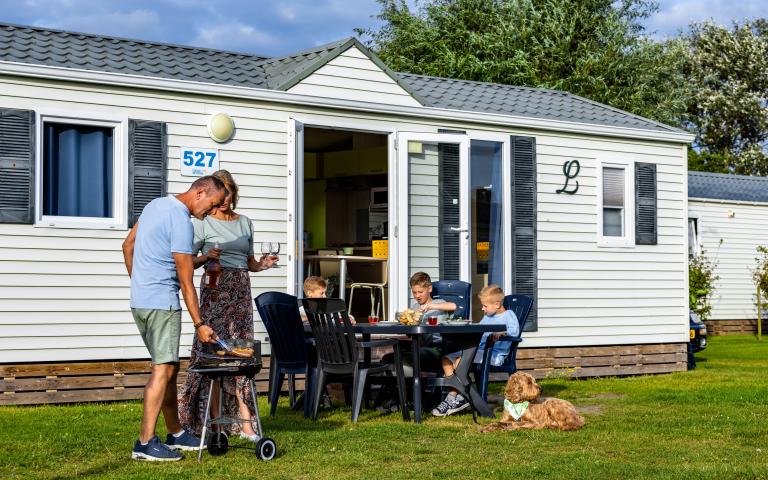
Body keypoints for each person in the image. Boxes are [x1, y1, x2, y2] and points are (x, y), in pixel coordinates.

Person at [122, 175, 226, 461]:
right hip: (162, 304)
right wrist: (200, 324)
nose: (210, 212)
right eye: (212, 205)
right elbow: (185, 279)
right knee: (163, 369)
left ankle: (176, 433)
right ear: (200, 192)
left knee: (169, 366)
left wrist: (140, 284)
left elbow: (127, 246)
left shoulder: (154, 206)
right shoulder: (182, 221)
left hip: (141, 302)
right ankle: (145, 442)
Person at [177, 170, 277, 443]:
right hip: (215, 289)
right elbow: (188, 262)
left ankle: (246, 423)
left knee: (241, 352)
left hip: (240, 290)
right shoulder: (203, 223)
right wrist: (206, 256)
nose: (222, 201)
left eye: (228, 194)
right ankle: (215, 424)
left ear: (233, 194)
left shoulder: (245, 223)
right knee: (216, 353)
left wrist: (264, 265)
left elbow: (250, 263)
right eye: (219, 196)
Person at [431, 285, 519, 417]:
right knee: (446, 358)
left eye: (485, 306)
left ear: (496, 304)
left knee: (460, 362)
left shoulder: (508, 315)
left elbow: (514, 331)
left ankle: (452, 397)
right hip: (479, 351)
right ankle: (463, 394)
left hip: (493, 355)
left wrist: (502, 332)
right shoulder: (488, 317)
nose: (483, 309)